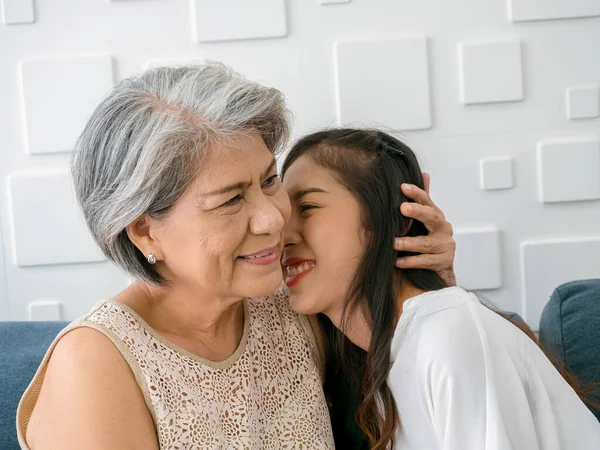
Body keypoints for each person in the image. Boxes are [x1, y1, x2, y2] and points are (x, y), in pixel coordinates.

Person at [16, 64, 456, 449]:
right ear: (144, 230)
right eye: (229, 201)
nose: (272, 218)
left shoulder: (290, 299)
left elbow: (425, 405)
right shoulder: (94, 364)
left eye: (268, 181)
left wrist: (430, 288)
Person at [281, 128, 600, 450]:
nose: (283, 235)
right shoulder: (384, 367)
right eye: (283, 215)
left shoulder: (448, 333)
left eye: (308, 207)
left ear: (393, 219)